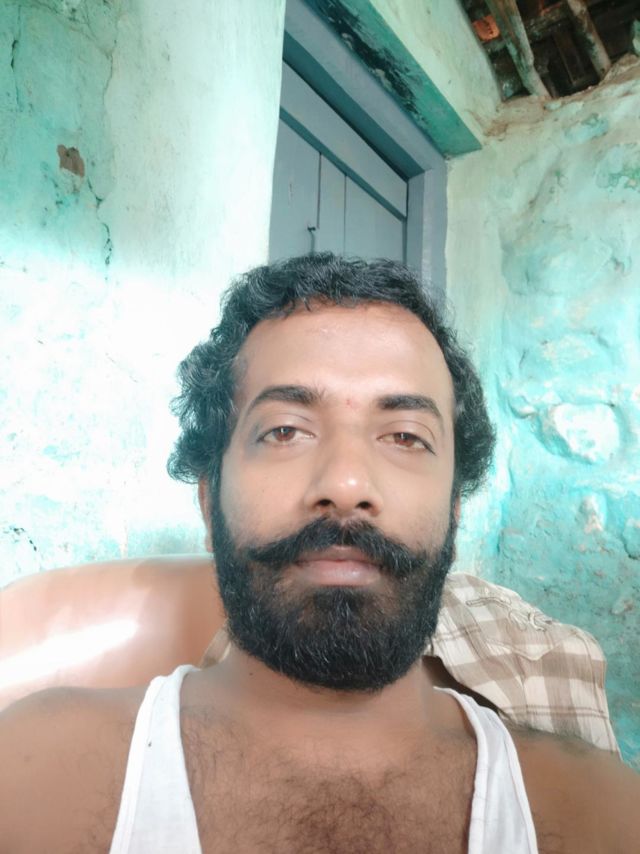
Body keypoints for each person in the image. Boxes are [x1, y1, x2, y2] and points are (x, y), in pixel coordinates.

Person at [0, 254, 638, 853]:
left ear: (454, 508)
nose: (347, 483)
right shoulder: (34, 776)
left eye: (405, 436)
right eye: (285, 431)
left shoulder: (601, 814)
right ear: (208, 499)